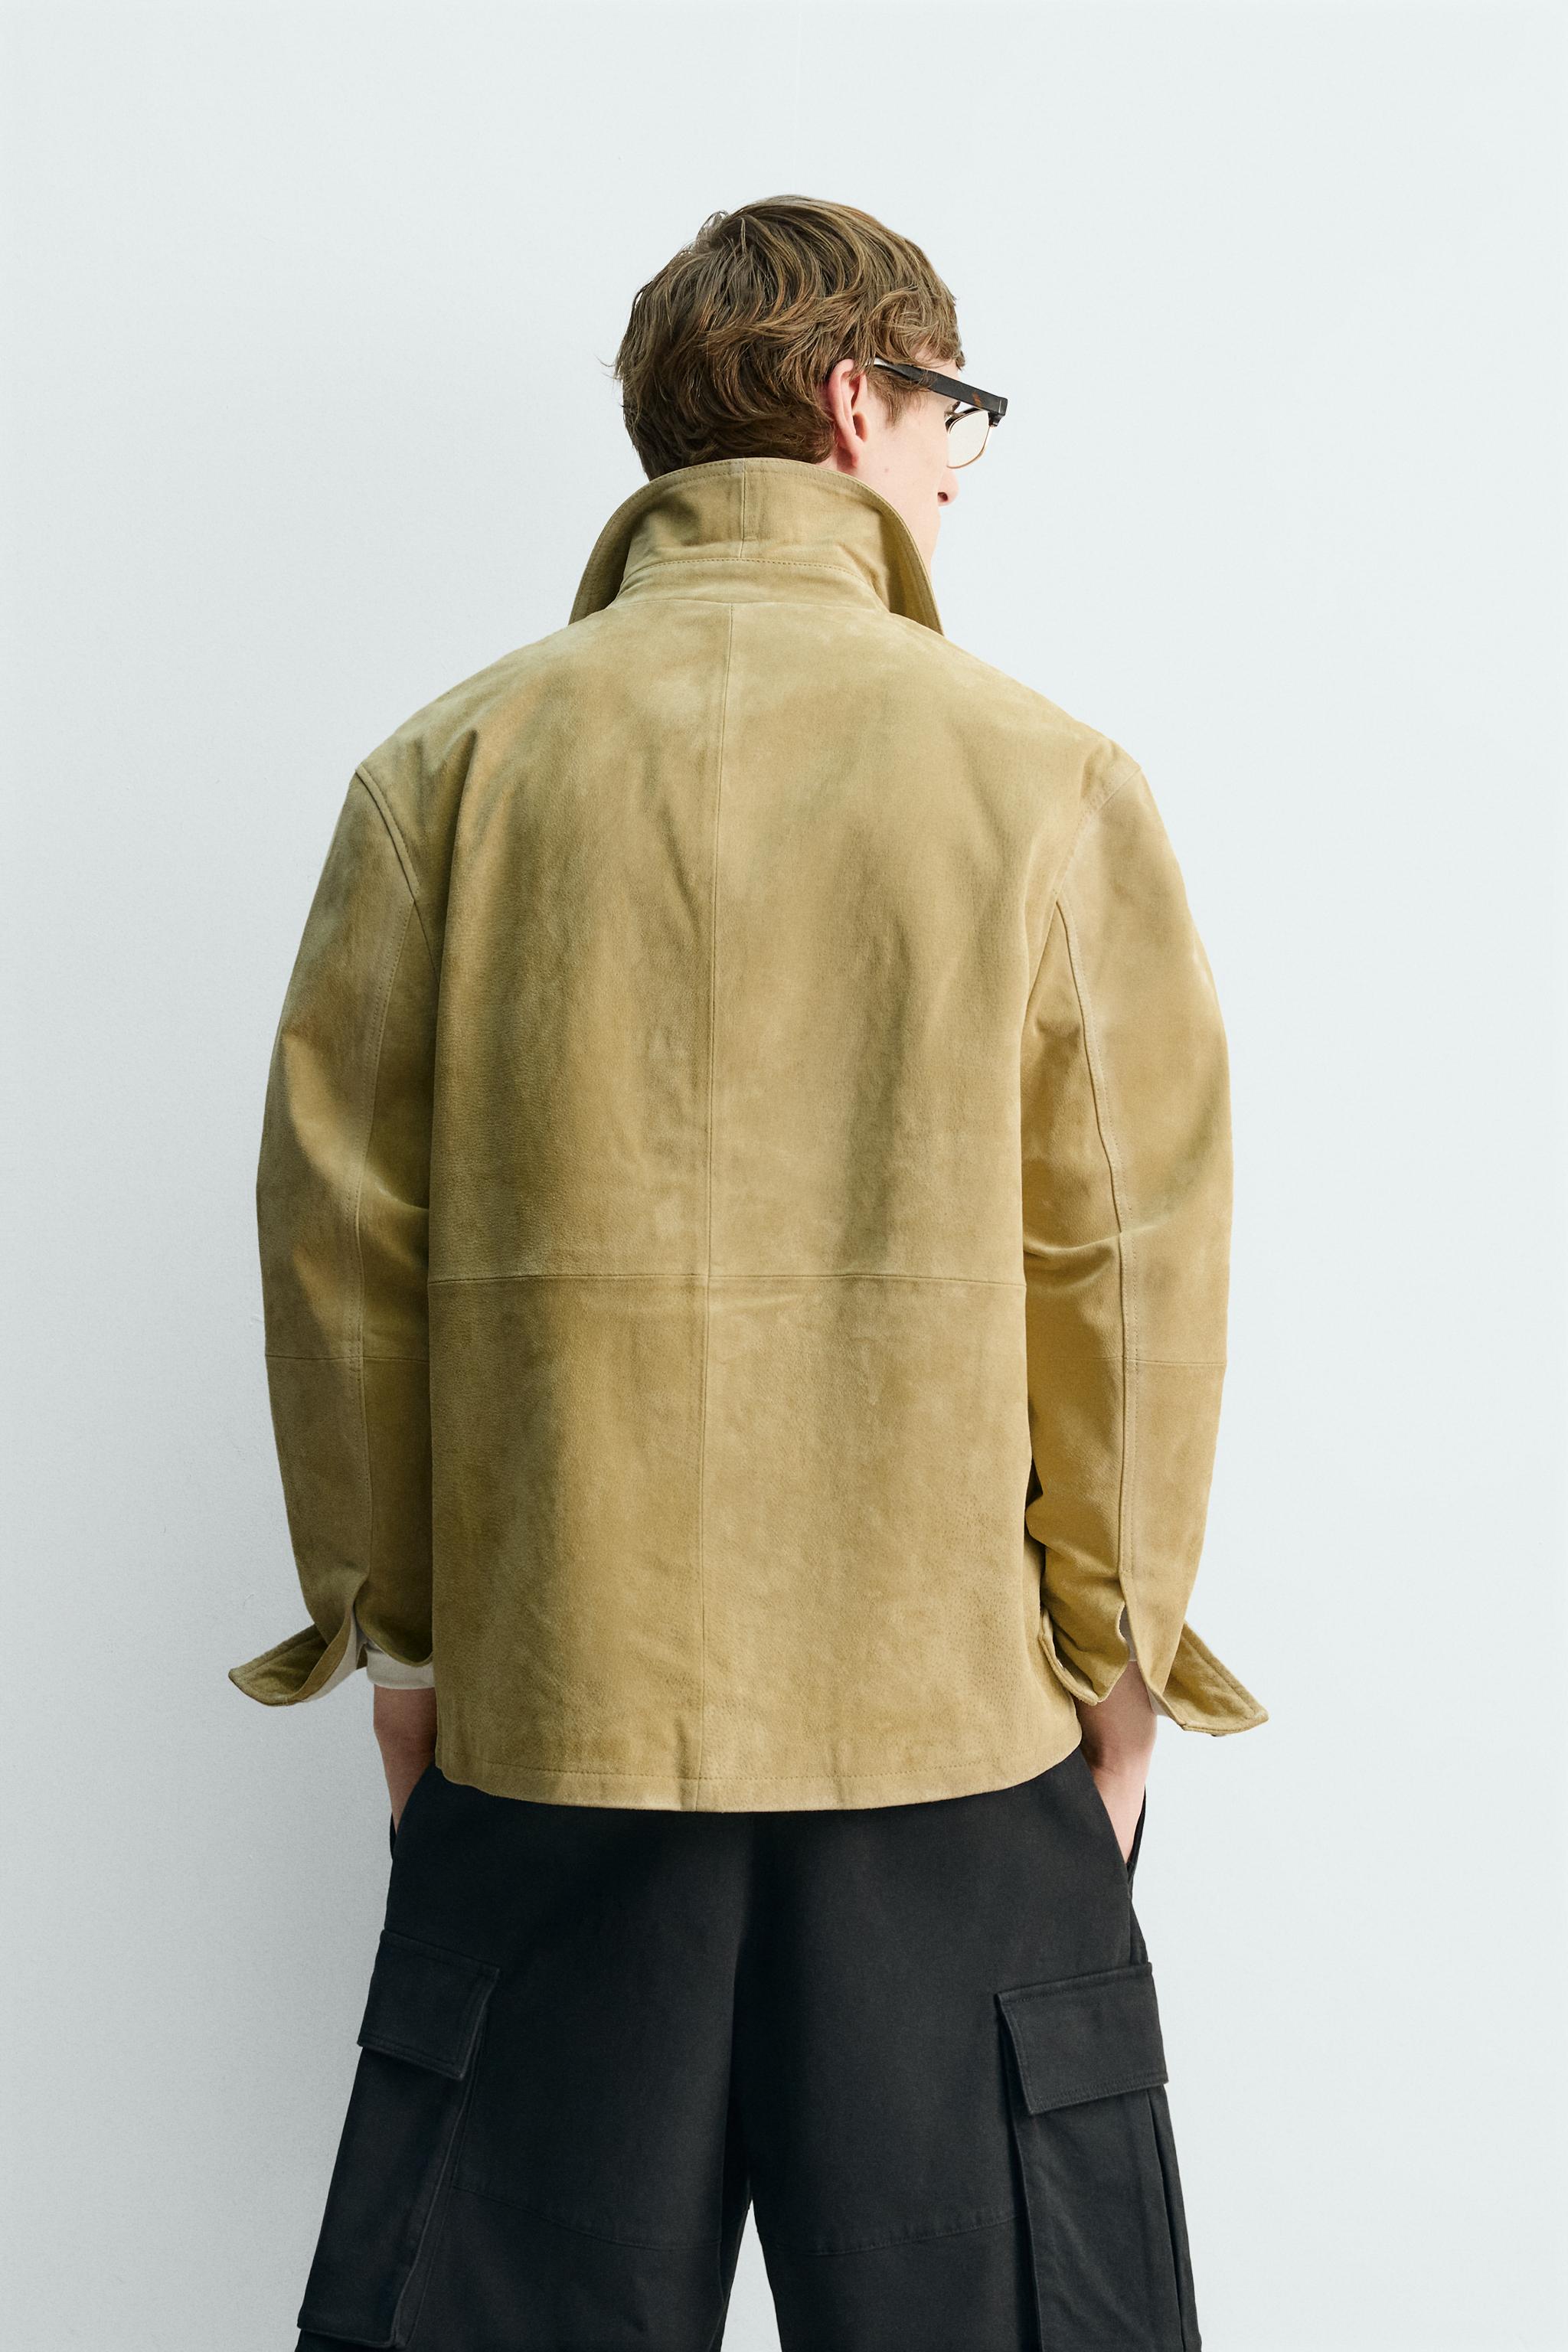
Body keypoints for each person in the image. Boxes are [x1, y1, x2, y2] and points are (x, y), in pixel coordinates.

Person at [230, 193, 1266, 2351]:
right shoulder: (1043, 780)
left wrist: (408, 1658)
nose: (963, 464)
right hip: (953, 1752)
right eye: (954, 410)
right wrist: (1117, 1674)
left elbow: (344, 1269)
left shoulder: (447, 773)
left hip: (554, 1727)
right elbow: (1125, 1268)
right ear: (853, 399)